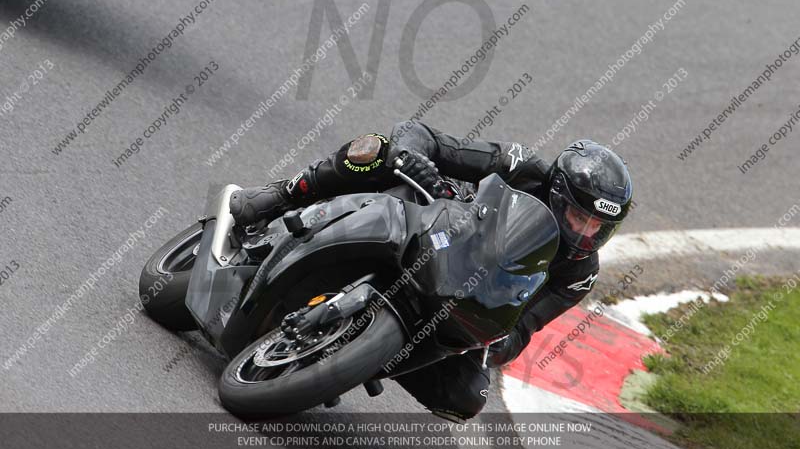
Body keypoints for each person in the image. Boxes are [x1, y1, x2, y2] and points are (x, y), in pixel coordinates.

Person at [229, 121, 633, 422]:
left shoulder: (579, 272)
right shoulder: (523, 167)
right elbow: (426, 136)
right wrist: (414, 159)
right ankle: (277, 196)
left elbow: (525, 328)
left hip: (461, 304)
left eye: (598, 227)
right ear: (557, 192)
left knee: (466, 397)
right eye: (580, 217)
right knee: (378, 150)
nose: (586, 232)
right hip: (429, 227)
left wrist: (497, 343)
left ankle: (354, 361)